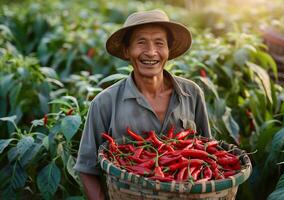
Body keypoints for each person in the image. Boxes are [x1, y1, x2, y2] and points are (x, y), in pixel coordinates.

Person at [74, 9, 211, 200]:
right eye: (141, 42)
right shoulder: (104, 103)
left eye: (159, 43)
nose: (151, 52)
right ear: (126, 50)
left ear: (168, 51)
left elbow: (207, 153)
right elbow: (87, 169)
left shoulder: (192, 94)